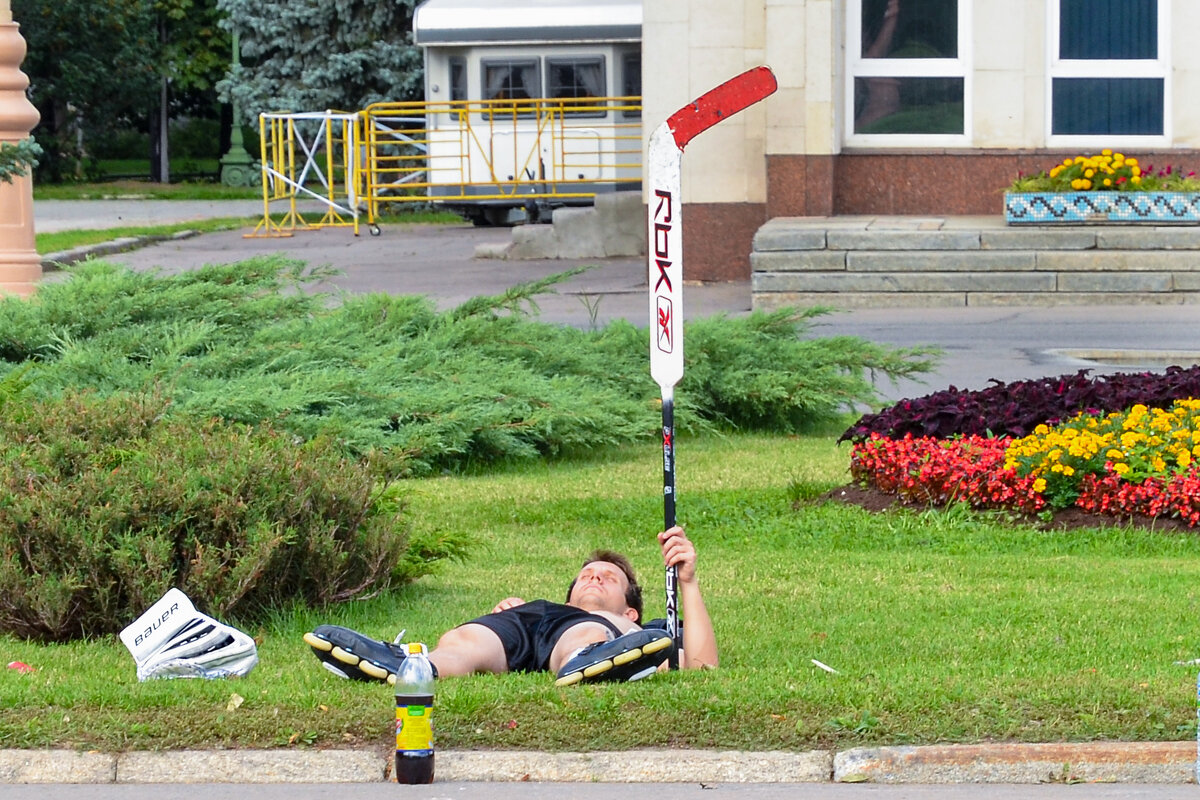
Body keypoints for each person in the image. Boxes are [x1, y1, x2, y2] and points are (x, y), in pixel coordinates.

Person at [304, 526, 717, 686]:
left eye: (609, 577)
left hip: (588, 634)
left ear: (631, 612)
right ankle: (411, 667)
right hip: (528, 623)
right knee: (466, 639)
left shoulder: (636, 631)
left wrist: (689, 582)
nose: (594, 576)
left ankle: (588, 659)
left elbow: (702, 665)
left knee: (587, 632)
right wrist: (510, 611)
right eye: (587, 574)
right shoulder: (536, 606)